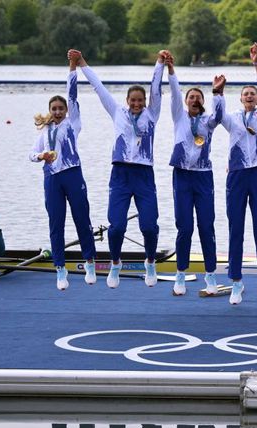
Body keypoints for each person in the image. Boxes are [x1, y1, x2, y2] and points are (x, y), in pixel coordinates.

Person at [74, 48, 165, 289]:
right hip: (121, 175)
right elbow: (99, 87)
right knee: (116, 227)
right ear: (127, 101)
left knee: (149, 225)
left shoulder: (152, 115)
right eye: (133, 100)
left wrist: (159, 64)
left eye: (140, 100)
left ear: (145, 102)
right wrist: (82, 62)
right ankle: (115, 263)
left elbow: (156, 89)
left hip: (144, 175)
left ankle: (150, 262)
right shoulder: (117, 113)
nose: (136, 104)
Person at [29, 52, 97, 291]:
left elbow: (72, 92)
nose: (58, 111)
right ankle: (60, 268)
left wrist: (72, 65)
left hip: (72, 174)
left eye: (61, 108)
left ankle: (89, 261)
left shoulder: (73, 123)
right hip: (52, 179)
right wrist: (41, 156)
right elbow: (30, 155)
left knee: (82, 219)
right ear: (50, 111)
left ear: (67, 111)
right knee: (56, 224)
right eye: (54, 109)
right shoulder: (44, 132)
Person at [165, 50, 225, 297]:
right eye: (191, 96)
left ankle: (210, 275)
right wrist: (171, 70)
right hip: (182, 175)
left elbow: (220, 116)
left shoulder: (208, 121)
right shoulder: (179, 116)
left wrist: (218, 93)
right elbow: (175, 93)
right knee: (185, 227)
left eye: (198, 97)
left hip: (203, 176)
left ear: (202, 101)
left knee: (206, 226)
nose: (194, 99)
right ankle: (180, 274)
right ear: (186, 100)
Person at [219, 45, 257, 305]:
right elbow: (216, 115)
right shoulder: (232, 118)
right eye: (246, 94)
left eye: (253, 93)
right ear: (240, 99)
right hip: (238, 176)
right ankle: (236, 282)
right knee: (235, 229)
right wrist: (217, 93)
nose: (251, 96)